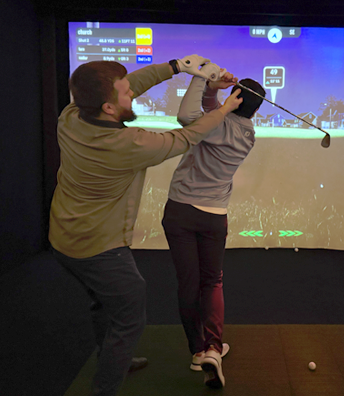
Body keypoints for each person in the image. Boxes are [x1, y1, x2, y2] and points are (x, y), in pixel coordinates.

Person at [48, 56, 243, 396]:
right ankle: (105, 387)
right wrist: (224, 109)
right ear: (109, 107)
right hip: (100, 249)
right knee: (130, 314)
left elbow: (130, 84)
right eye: (125, 95)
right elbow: (188, 134)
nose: (132, 95)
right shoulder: (130, 145)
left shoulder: (71, 115)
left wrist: (176, 66)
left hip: (62, 240)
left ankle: (111, 356)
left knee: (102, 301)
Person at [161, 65, 265, 389]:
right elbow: (210, 114)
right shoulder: (247, 133)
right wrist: (216, 94)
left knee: (188, 283)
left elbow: (188, 116)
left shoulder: (216, 124)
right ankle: (214, 349)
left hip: (179, 211)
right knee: (212, 282)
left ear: (235, 98)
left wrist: (202, 77)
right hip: (212, 216)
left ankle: (197, 351)